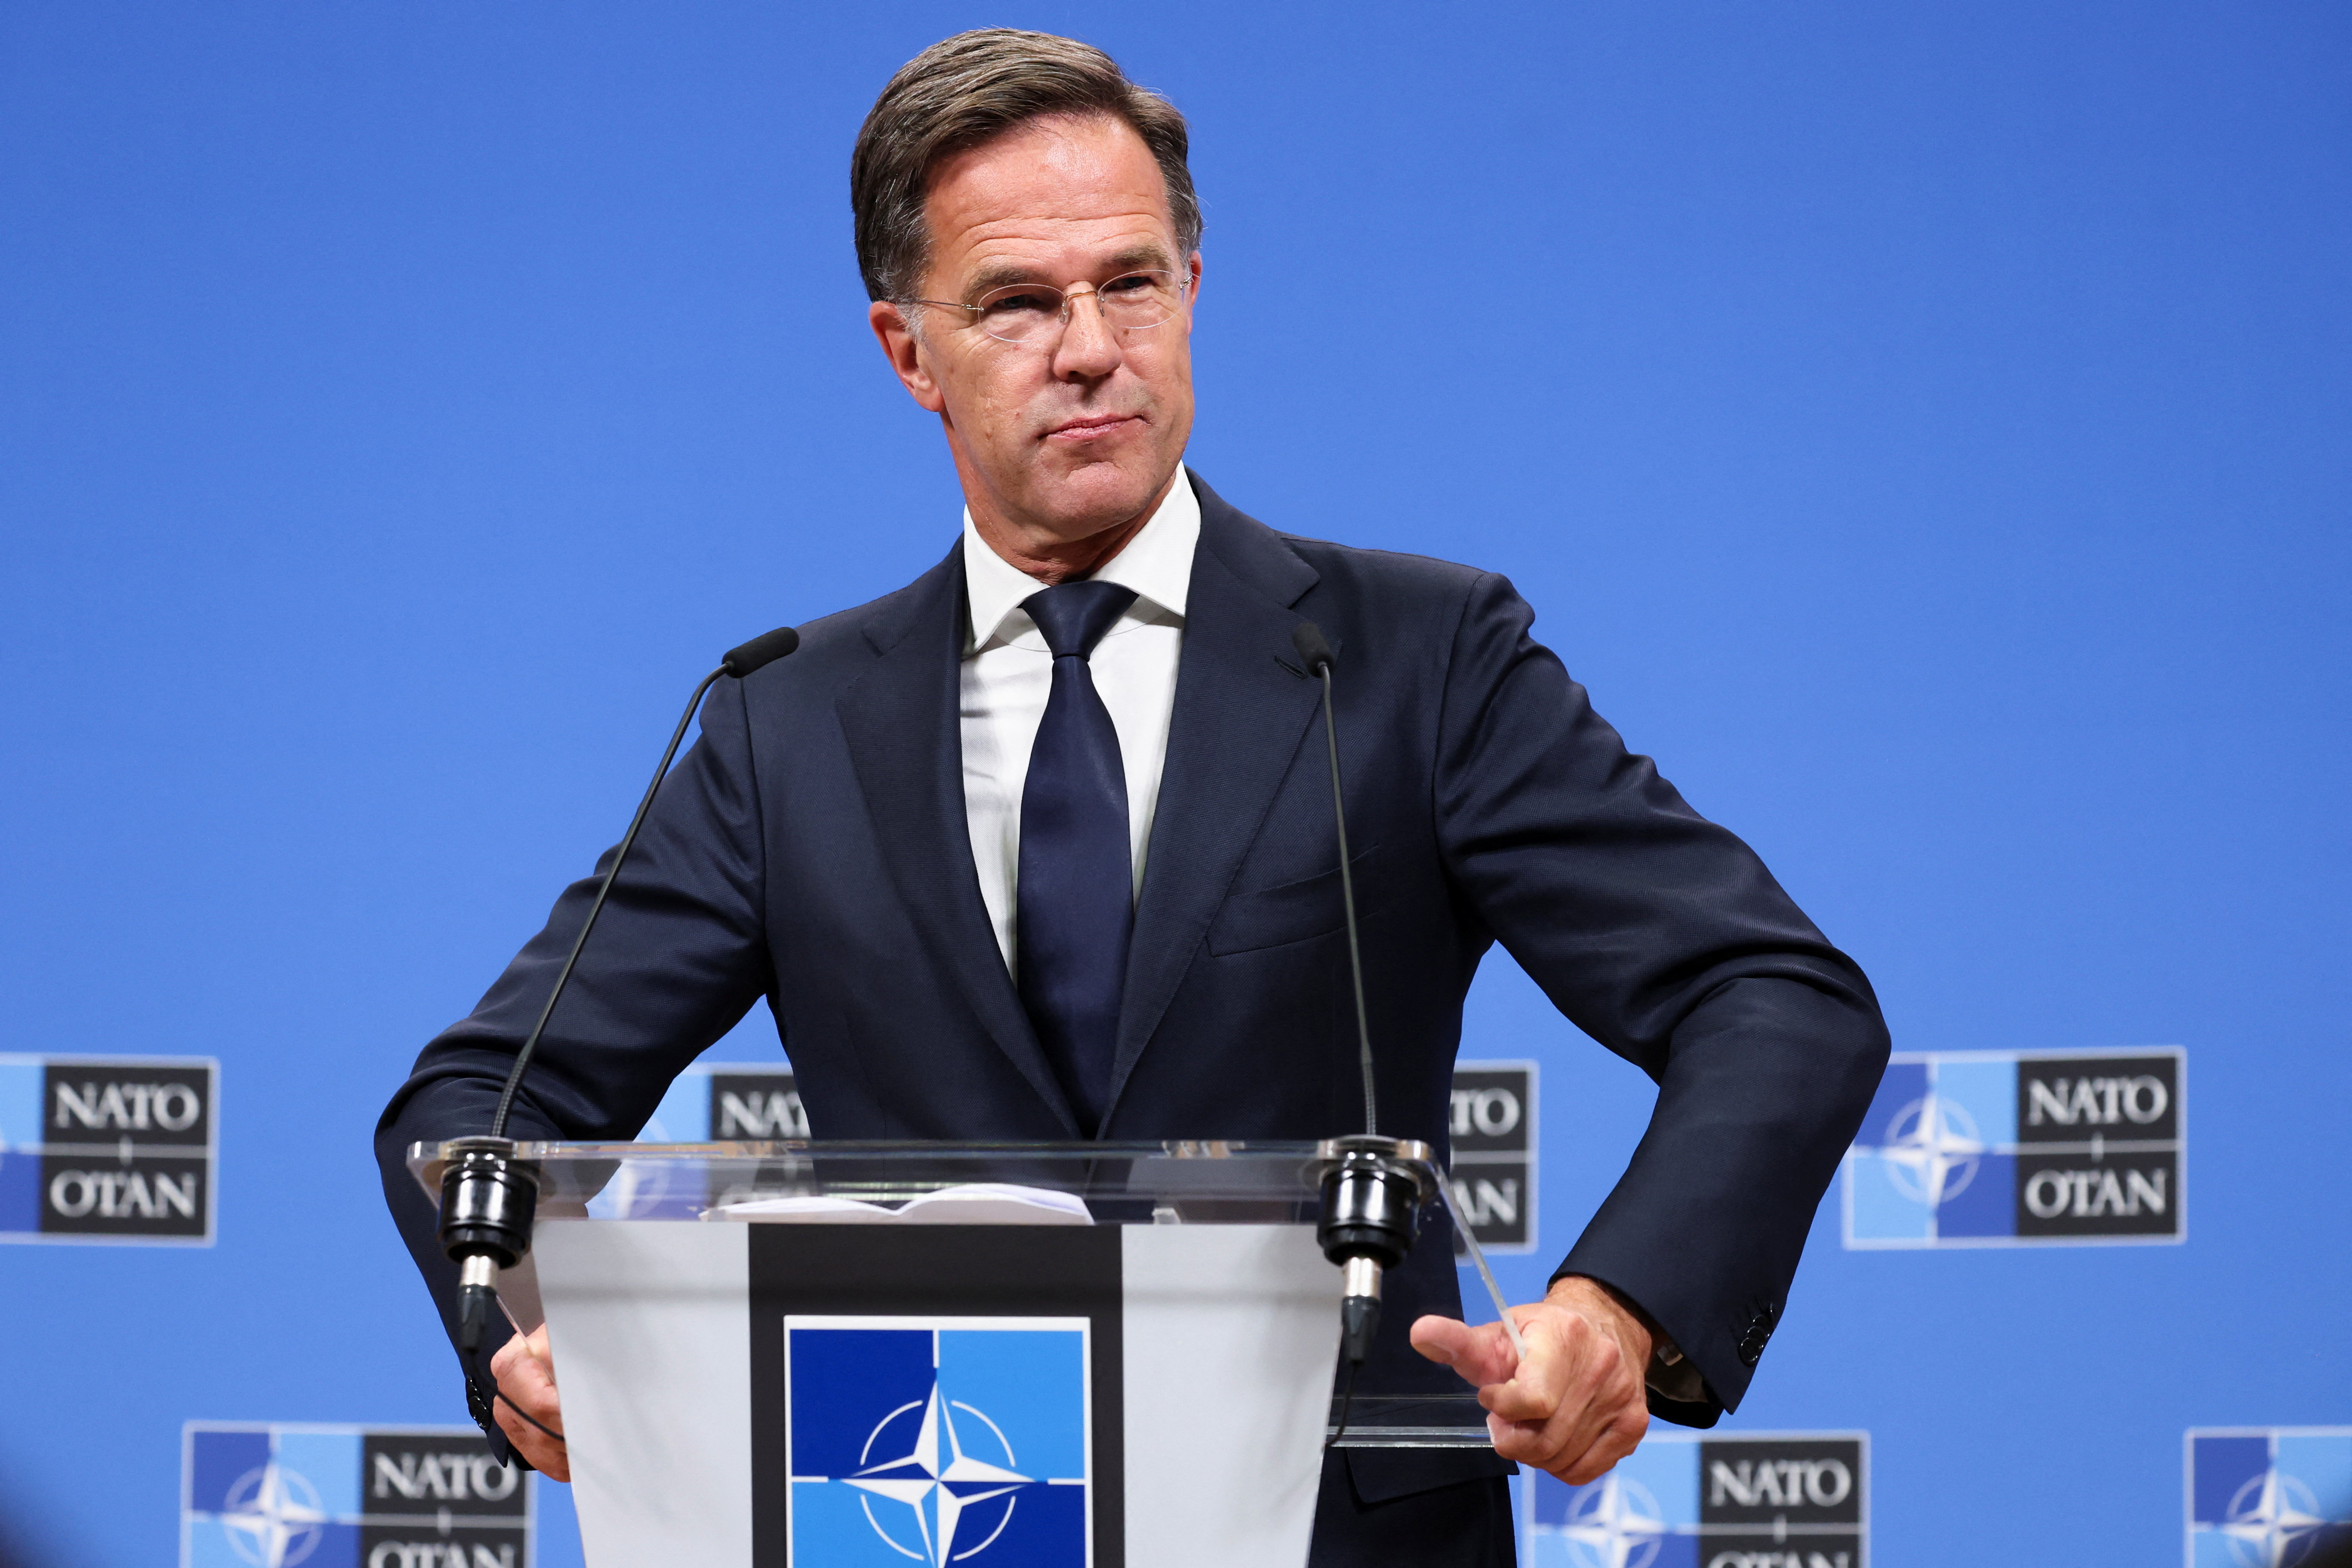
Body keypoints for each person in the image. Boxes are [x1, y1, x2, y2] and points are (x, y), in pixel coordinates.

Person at [374, 28, 1890, 1566]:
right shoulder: (787, 724)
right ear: (909, 352)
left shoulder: (1413, 659)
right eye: (1020, 303)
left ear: (1192, 292)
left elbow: (1773, 995)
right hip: (928, 1520)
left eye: (1130, 282)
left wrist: (1617, 1309)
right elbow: (477, 1113)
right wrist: (531, 1327)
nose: (1090, 345)